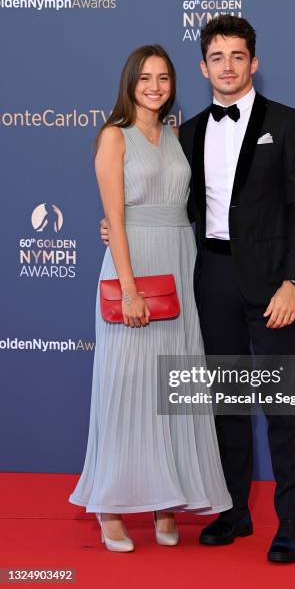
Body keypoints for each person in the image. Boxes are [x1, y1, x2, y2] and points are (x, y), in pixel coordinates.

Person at [69, 44, 232, 552]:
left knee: (171, 392)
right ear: (129, 83)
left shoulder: (178, 137)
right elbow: (115, 219)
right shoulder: (113, 138)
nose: (155, 86)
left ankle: (167, 501)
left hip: (179, 265)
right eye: (145, 78)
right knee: (124, 388)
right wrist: (132, 287)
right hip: (134, 267)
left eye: (163, 77)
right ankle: (109, 508)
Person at [178, 16, 295, 563]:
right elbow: (178, 209)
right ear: (203, 67)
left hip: (272, 286)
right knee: (227, 405)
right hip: (211, 278)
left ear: (253, 62)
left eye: (238, 56)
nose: (228, 66)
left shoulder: (287, 124)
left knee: (282, 406)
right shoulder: (189, 131)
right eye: (218, 57)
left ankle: (289, 523)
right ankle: (234, 510)